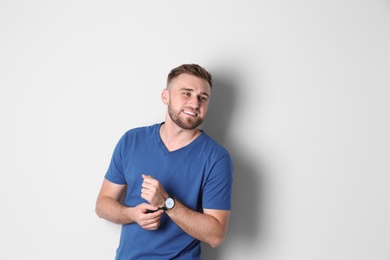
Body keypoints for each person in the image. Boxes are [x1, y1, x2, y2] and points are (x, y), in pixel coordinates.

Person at [95, 64, 234, 259]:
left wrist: (167, 203)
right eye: (186, 93)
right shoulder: (132, 140)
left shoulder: (217, 158)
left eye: (203, 98)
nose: (195, 104)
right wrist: (132, 214)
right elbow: (102, 205)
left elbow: (216, 235)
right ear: (165, 96)